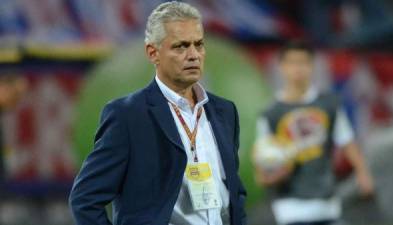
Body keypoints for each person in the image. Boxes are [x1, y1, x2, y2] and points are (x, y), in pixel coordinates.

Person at [69, 2, 246, 225]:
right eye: (180, 46)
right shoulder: (128, 116)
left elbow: (234, 193)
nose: (193, 55)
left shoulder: (225, 112)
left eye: (198, 45)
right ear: (153, 52)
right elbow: (85, 199)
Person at [252, 40, 374, 225]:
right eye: (292, 63)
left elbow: (346, 140)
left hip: (328, 203)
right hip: (290, 208)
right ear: (282, 67)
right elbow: (262, 162)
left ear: (312, 66)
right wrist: (271, 176)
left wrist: (363, 174)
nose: (298, 68)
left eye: (303, 62)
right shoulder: (270, 113)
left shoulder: (329, 104)